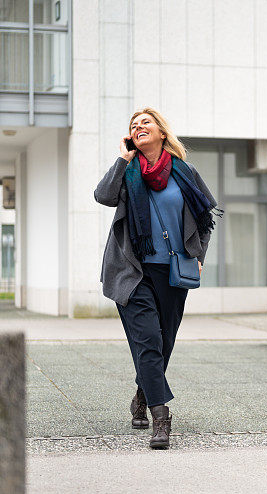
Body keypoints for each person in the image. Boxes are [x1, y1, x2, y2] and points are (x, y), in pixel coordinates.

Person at [94, 107, 220, 449]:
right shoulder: (127, 172)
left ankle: (141, 392)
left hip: (174, 272)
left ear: (162, 132)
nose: (138, 127)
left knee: (162, 345)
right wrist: (122, 160)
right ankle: (161, 419)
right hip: (132, 271)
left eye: (145, 123)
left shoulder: (184, 172)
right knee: (148, 340)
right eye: (133, 126)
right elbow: (103, 196)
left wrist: (198, 257)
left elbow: (205, 216)